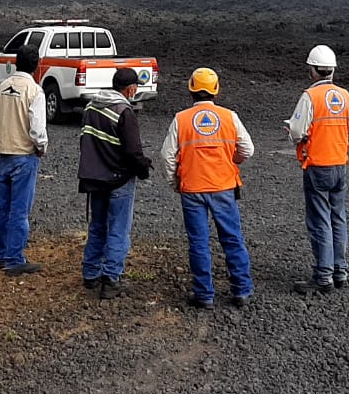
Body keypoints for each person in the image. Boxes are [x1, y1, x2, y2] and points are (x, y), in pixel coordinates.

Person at [160, 67, 255, 309]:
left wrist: (176, 183)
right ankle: (241, 290)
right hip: (224, 186)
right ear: (216, 90)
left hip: (192, 189)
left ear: (191, 90)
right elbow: (248, 149)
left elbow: (167, 156)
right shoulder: (229, 117)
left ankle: (204, 294)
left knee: (198, 242)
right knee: (233, 239)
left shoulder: (180, 119)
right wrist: (232, 160)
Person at [285, 44, 349, 292]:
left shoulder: (310, 97)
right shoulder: (346, 96)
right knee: (338, 218)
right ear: (332, 71)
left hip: (317, 166)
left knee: (320, 220)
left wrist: (296, 136)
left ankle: (323, 276)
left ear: (312, 71)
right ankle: (340, 271)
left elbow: (297, 131)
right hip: (340, 165)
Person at [77, 67, 153, 299]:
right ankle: (111, 279)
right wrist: (143, 168)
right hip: (118, 179)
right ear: (130, 89)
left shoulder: (91, 106)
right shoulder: (124, 111)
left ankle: (90, 274)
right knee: (118, 230)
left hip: (94, 176)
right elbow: (132, 150)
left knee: (97, 226)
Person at [0, 44, 48, 276]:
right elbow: (37, 129)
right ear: (37, 65)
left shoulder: (4, 86)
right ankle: (14, 258)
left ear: (15, 62)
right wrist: (40, 147)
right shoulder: (35, 91)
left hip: (4, 153)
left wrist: (5, 133)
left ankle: (2, 254)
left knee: (4, 208)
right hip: (25, 156)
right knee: (20, 210)